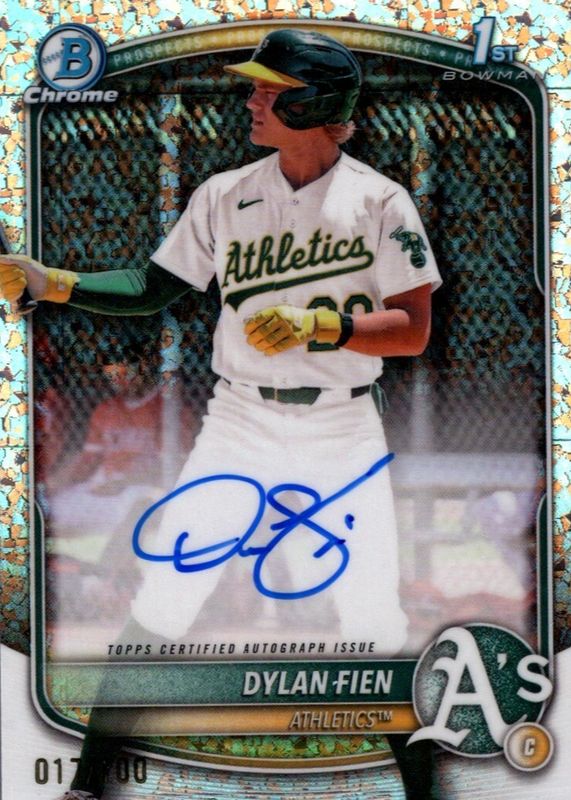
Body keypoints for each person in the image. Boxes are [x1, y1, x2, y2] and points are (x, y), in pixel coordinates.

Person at [0, 29, 441, 800]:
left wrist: (322, 327)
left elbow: (412, 329)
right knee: (167, 593)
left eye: (270, 90)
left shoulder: (378, 201)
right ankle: (87, 788)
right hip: (239, 422)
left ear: (312, 103)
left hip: (341, 428)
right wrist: (52, 281)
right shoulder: (225, 193)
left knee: (372, 617)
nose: (251, 99)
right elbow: (151, 287)